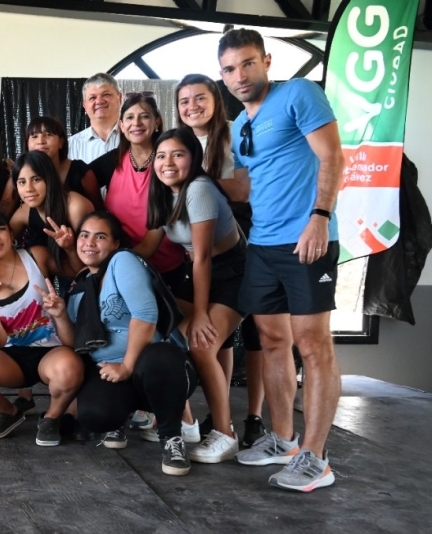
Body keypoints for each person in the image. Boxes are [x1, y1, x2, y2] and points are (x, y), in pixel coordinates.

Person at [219, 28, 344, 492]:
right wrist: (197, 178)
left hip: (307, 237)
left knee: (313, 344)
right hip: (264, 244)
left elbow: (332, 157)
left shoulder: (299, 94)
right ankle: (283, 440)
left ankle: (316, 458)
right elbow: (248, 188)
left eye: (248, 63)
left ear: (266, 61)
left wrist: (321, 216)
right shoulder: (239, 125)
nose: (240, 75)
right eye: (230, 69)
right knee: (272, 339)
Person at [141, 128, 245, 463]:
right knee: (162, 328)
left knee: (201, 343)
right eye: (160, 155)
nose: (167, 162)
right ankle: (186, 423)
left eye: (177, 154)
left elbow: (202, 257)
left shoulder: (199, 188)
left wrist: (199, 313)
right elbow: (147, 247)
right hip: (198, 272)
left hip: (232, 273)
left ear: (193, 158)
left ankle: (226, 434)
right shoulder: (160, 192)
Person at [89, 92, 187, 444]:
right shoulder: (110, 163)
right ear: (120, 124)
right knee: (121, 337)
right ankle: (127, 409)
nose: (136, 123)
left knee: (161, 342)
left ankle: (179, 421)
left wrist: (120, 259)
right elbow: (79, 187)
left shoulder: (166, 164)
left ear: (157, 121)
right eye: (129, 117)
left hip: (161, 266)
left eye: (144, 116)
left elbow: (153, 237)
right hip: (118, 268)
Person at [67, 212, 198, 476]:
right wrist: (60, 313)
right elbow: (76, 342)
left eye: (100, 236)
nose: (89, 242)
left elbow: (146, 315)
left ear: (116, 243)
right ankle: (120, 416)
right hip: (112, 370)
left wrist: (126, 366)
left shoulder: (122, 261)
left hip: (156, 368)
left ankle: (172, 437)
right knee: (94, 415)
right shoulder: (80, 287)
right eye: (84, 235)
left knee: (158, 358)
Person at [175, 73, 266, 448]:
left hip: (250, 238)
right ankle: (220, 414)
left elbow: (244, 190)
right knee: (218, 338)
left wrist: (199, 176)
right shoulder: (179, 143)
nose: (192, 106)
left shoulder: (235, 132)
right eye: (184, 101)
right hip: (200, 248)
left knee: (259, 336)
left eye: (200, 98)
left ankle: (254, 417)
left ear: (216, 99)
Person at [0, 210, 82, 446]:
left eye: (0, 229)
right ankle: (9, 412)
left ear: (11, 233)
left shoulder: (36, 256)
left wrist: (70, 248)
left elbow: (75, 271)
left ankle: (52, 417)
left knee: (69, 368)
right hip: (12, 357)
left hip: (52, 350)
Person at [26, 116, 103, 210]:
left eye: (48, 134)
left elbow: (99, 209)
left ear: (61, 142)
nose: (41, 141)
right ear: (27, 144)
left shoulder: (80, 170)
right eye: (34, 136)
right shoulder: (21, 173)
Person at [68, 73, 123, 164]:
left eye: (106, 95)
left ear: (120, 98)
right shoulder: (72, 145)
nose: (99, 101)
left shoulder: (135, 138)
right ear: (84, 105)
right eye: (92, 97)